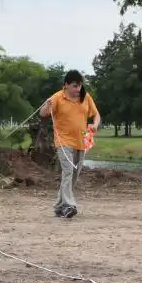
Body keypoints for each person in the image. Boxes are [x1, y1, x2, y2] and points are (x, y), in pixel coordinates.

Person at [39, 70, 100, 218]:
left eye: (79, 86)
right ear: (66, 85)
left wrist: (95, 125)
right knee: (68, 171)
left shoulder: (86, 97)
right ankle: (69, 205)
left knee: (74, 175)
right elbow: (42, 113)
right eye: (74, 86)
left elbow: (96, 115)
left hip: (83, 140)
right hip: (63, 141)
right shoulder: (58, 97)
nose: (78, 89)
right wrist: (47, 106)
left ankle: (59, 206)